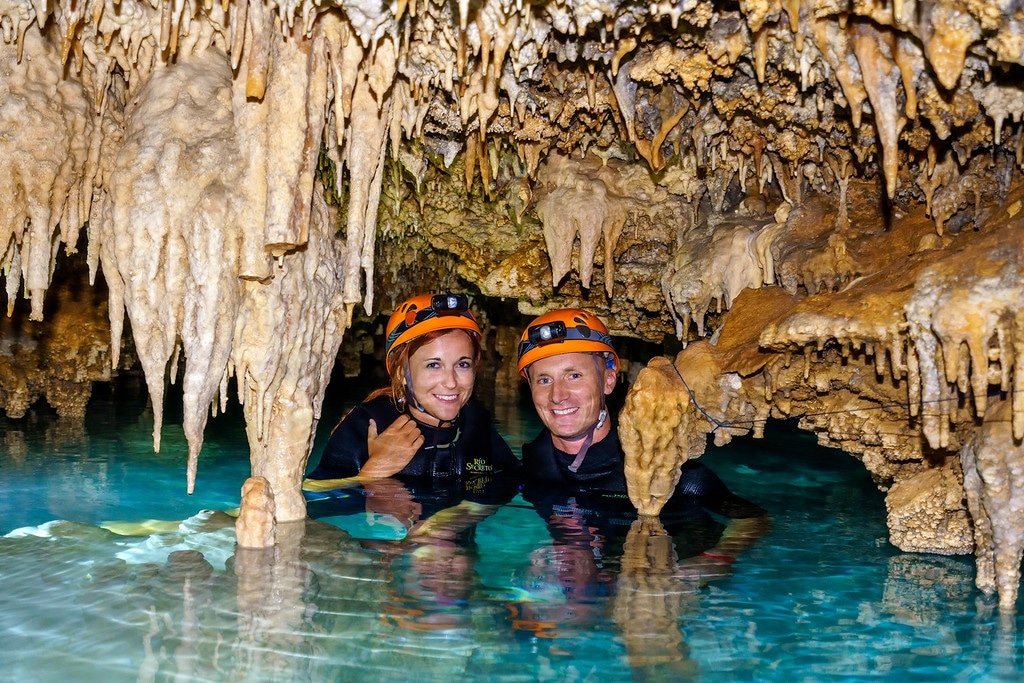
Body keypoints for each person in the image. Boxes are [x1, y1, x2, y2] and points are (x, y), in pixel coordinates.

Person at [516, 307, 766, 516]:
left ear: (609, 380)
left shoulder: (660, 468)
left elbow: (752, 521)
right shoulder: (530, 465)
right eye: (544, 380)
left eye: (574, 375)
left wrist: (713, 561)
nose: (558, 396)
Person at [307, 293, 519, 483]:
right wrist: (375, 470)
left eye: (463, 364)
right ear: (402, 373)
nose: (451, 382)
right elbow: (314, 499)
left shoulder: (477, 422)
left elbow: (514, 482)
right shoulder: (368, 423)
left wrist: (463, 512)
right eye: (433, 365)